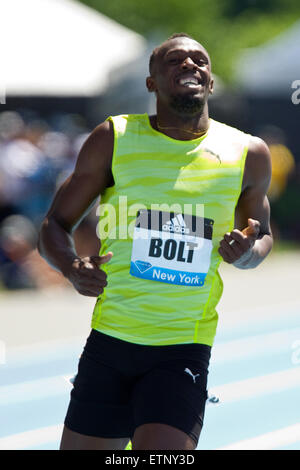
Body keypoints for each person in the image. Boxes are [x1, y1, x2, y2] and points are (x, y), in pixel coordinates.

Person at [38, 33, 273, 450]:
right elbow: (54, 224)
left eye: (199, 60)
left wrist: (245, 255)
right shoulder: (114, 138)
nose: (189, 65)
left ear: (212, 82)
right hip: (111, 339)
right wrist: (71, 267)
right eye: (175, 60)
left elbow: (262, 238)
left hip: (183, 345)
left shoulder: (247, 152)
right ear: (151, 82)